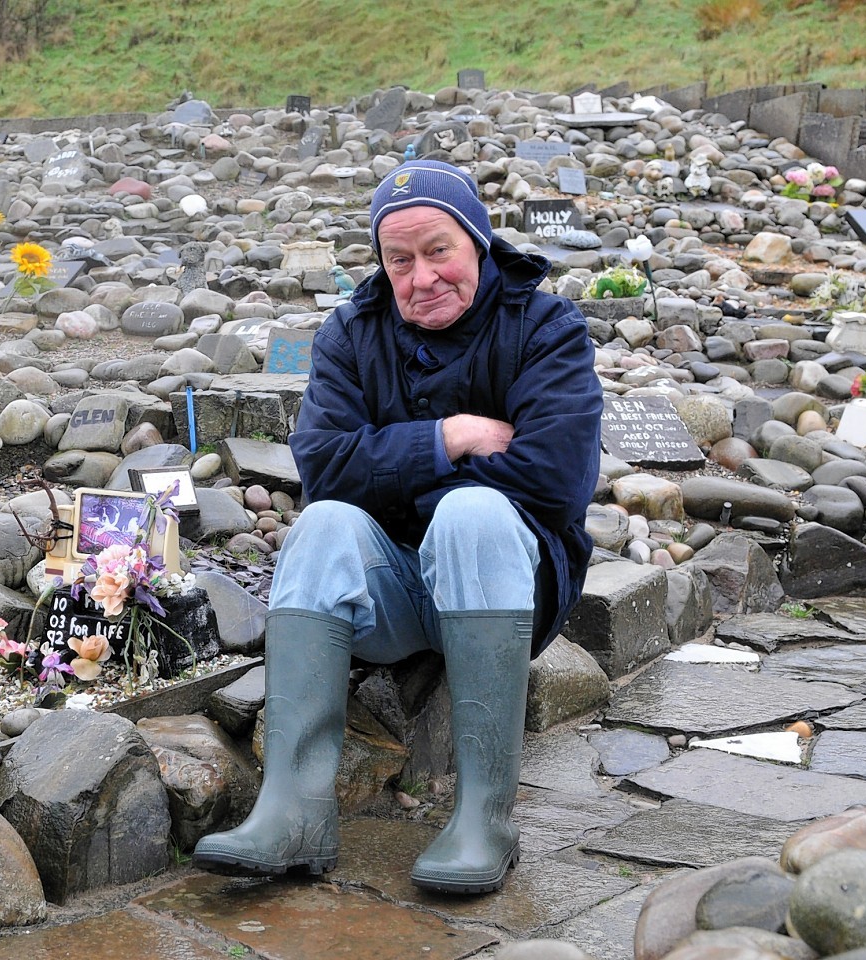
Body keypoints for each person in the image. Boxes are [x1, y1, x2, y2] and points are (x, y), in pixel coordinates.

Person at [193, 160, 603, 893]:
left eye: (438, 250)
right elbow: (322, 466)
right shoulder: (351, 333)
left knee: (470, 514)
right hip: (390, 595)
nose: (421, 278)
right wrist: (449, 438)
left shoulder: (545, 328)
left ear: (476, 239)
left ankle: (484, 816)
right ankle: (293, 812)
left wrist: (401, 484)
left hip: (501, 591)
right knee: (321, 524)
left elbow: (554, 478)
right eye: (399, 260)